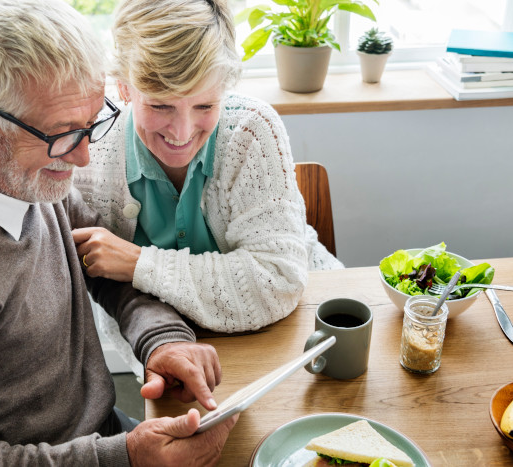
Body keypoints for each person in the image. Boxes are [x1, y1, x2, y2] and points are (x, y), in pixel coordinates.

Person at [0, 0, 236, 465]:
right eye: (64, 134)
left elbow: (105, 266)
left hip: (103, 436)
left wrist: (163, 339)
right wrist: (125, 458)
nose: (83, 157)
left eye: (93, 124)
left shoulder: (15, 168)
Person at [72, 0, 344, 377]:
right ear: (124, 87)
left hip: (297, 328)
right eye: (161, 105)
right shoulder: (88, 151)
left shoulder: (251, 128)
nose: (182, 134)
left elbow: (277, 281)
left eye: (204, 105)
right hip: (169, 347)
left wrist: (138, 264)